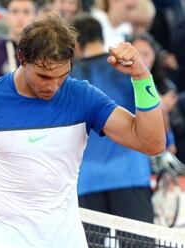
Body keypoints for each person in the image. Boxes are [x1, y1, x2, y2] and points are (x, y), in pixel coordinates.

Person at [0, 14, 165, 248]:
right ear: (22, 58)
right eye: (44, 76)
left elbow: (152, 143)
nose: (53, 86)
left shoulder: (83, 96)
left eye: (62, 76)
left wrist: (142, 77)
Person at [70, 15, 155, 246]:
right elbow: (152, 120)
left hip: (87, 181)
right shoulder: (128, 70)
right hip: (131, 175)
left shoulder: (68, 79)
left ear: (75, 43)